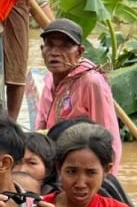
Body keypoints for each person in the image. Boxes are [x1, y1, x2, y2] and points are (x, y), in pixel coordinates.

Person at [34, 19, 122, 174]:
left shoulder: (91, 82)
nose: (54, 52)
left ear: (79, 52)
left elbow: (109, 134)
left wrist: (107, 178)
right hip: (55, 164)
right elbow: (41, 126)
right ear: (42, 49)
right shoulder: (49, 79)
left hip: (80, 168)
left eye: (65, 46)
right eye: (50, 45)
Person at [47, 117, 133, 207]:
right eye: (72, 171)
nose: (80, 184)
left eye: (91, 172)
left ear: (106, 170)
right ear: (58, 167)